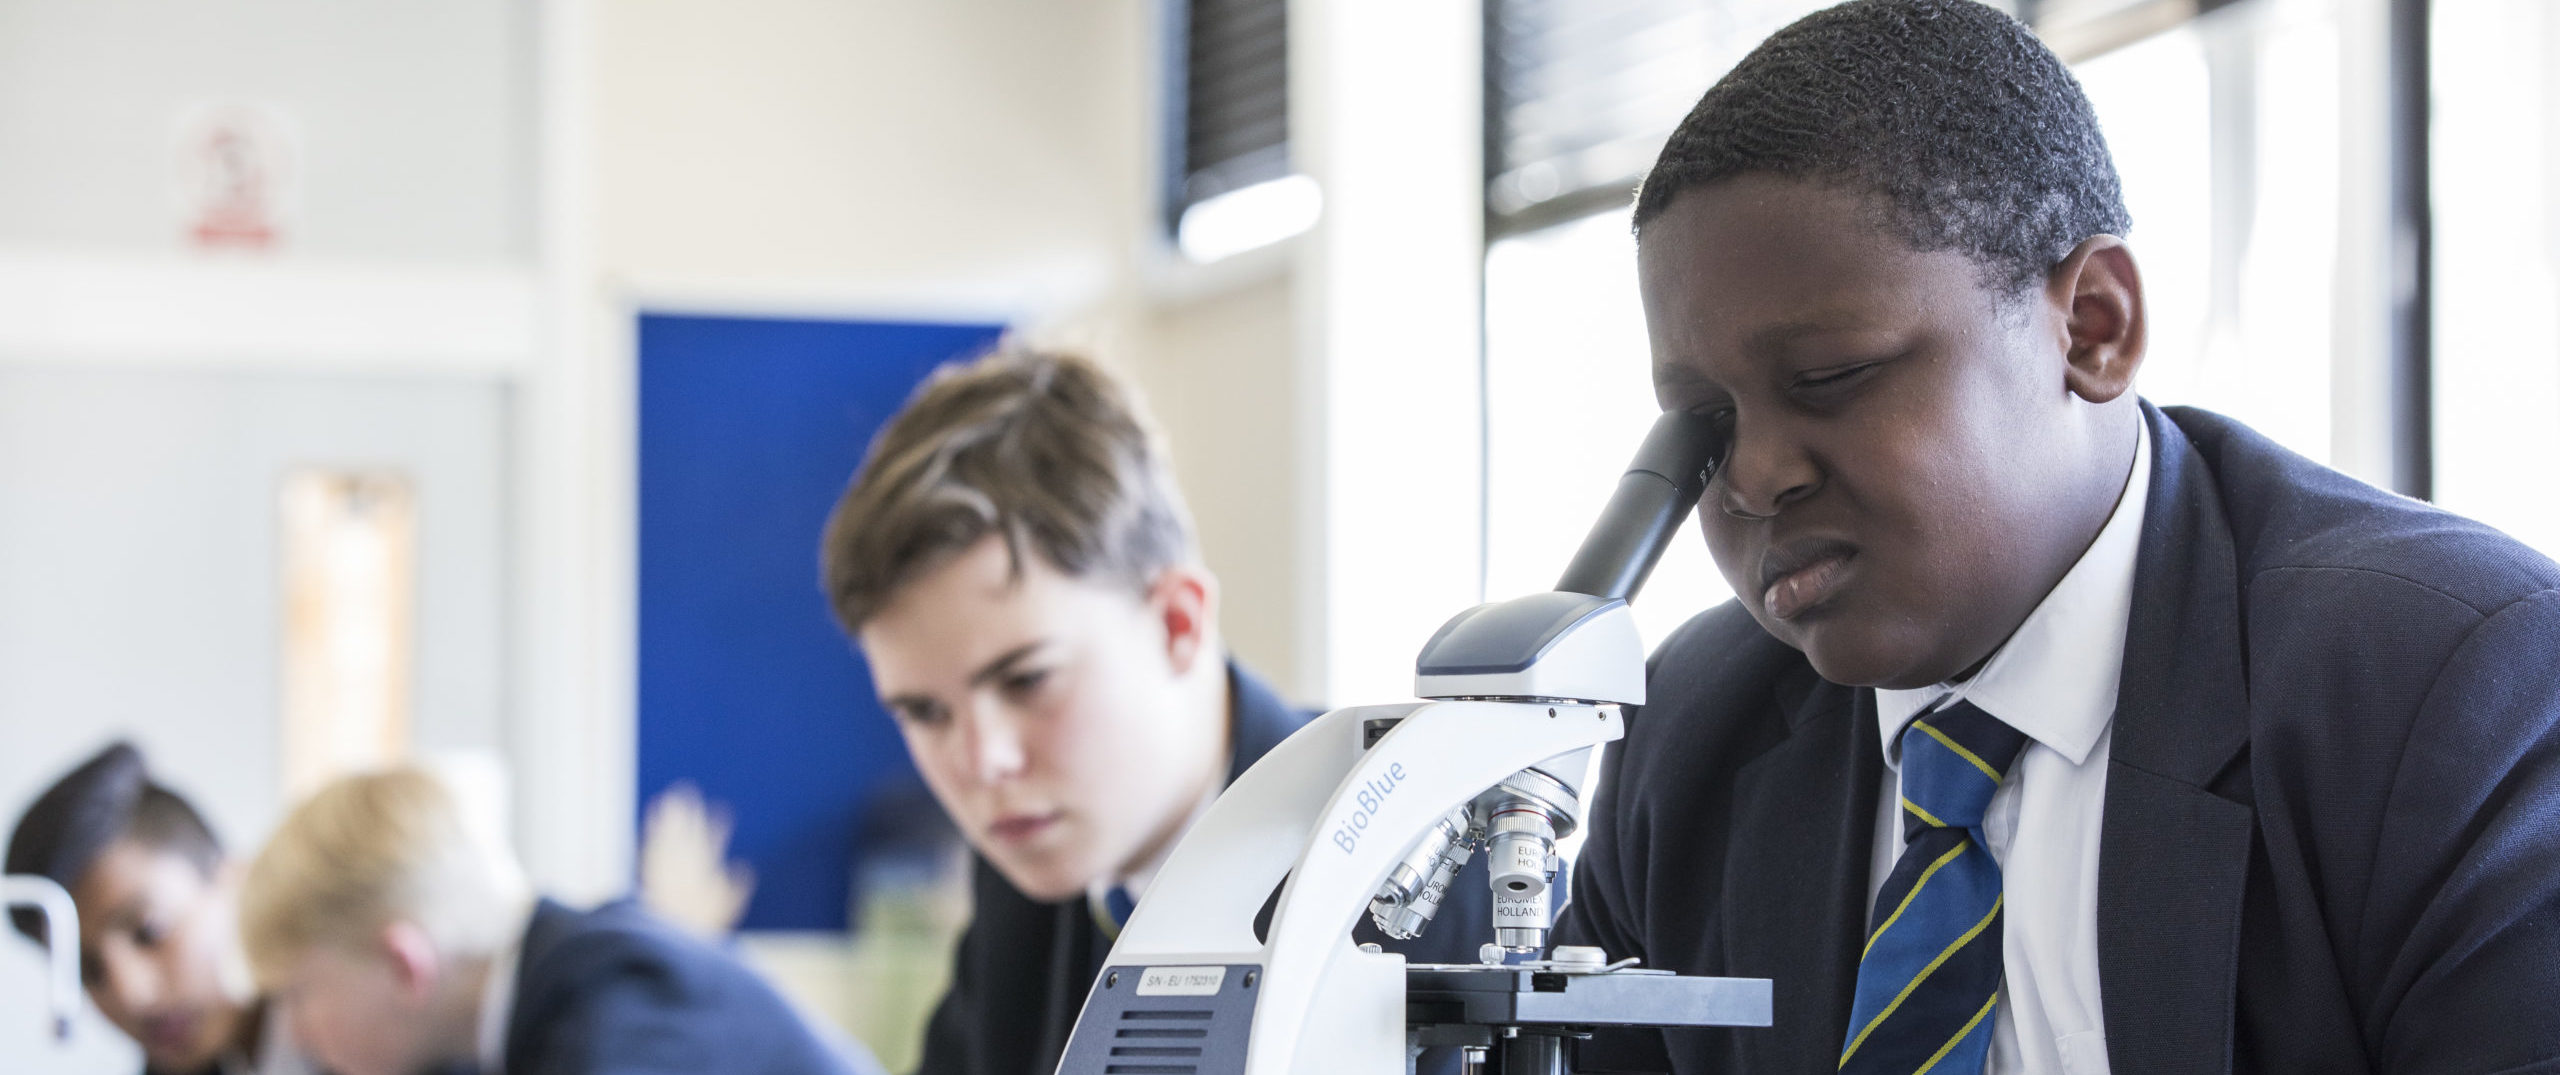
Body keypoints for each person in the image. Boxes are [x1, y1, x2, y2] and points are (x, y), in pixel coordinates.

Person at [1551, 1, 2560, 1072]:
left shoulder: (2446, 688)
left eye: (1830, 377)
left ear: (2091, 328)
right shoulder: (1691, 741)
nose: (1755, 478)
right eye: (1705, 419)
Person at [818, 347, 1491, 1075]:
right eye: (924, 711)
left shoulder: (1426, 868)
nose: (982, 762)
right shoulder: (1026, 886)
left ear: (1177, 621)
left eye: (1027, 679)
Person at [235, 766, 875, 1075]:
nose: (295, 1032)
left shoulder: (619, 1019)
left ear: (406, 964)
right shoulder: (532, 1010)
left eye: (298, 995)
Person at [5, 741, 317, 1075]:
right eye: (88, 970)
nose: (132, 995)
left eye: (148, 932)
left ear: (237, 881)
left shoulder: (367, 1034)